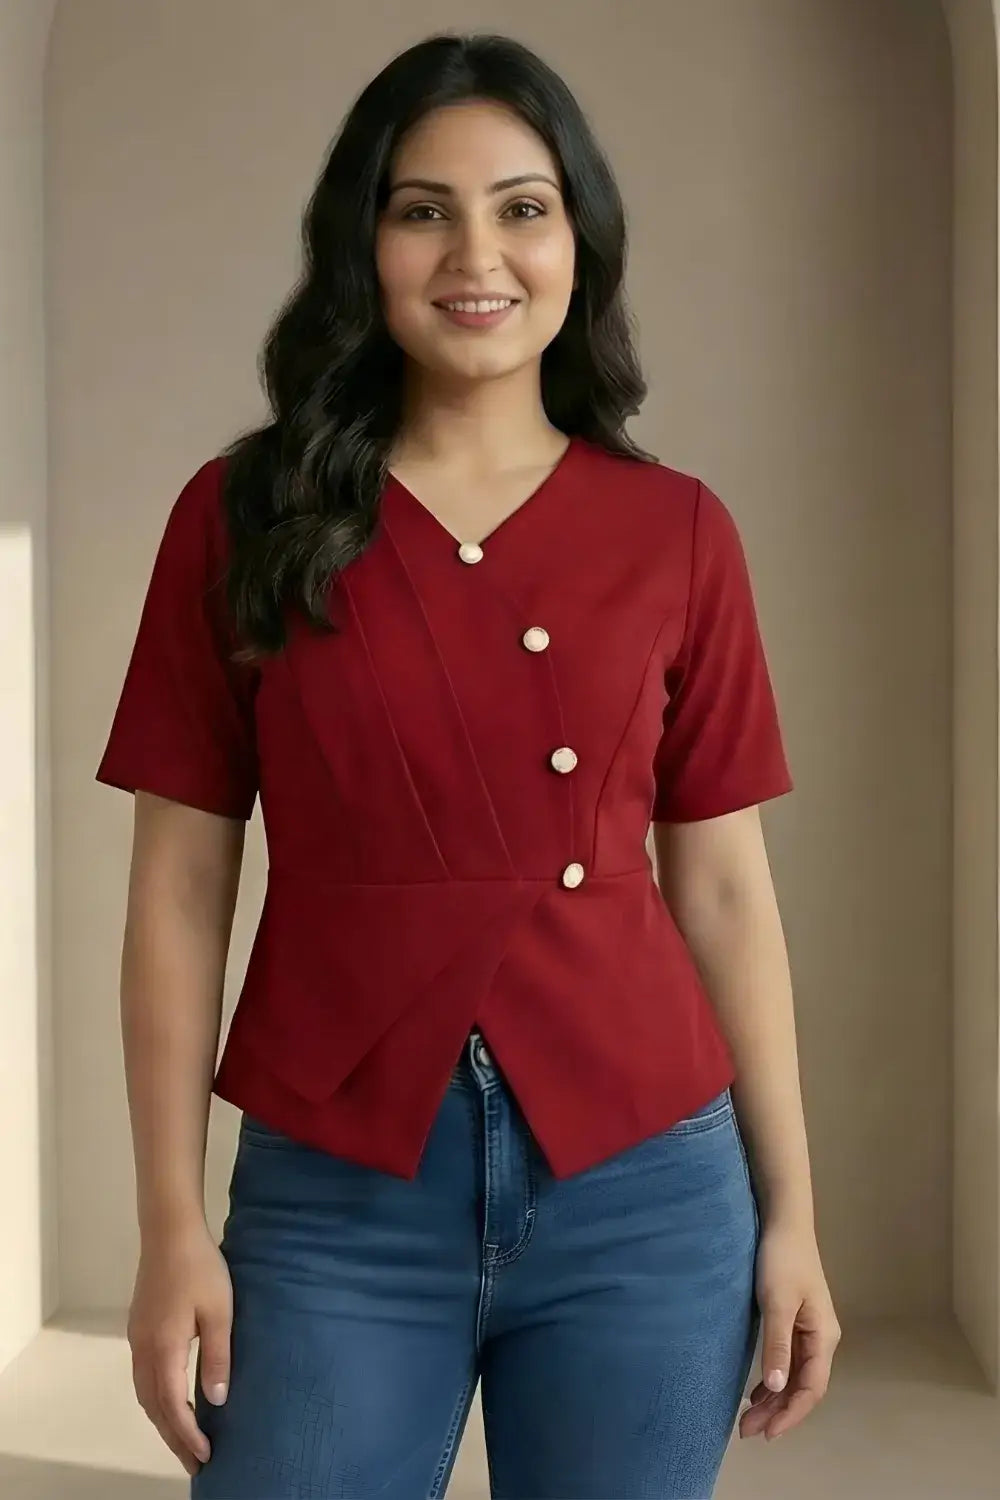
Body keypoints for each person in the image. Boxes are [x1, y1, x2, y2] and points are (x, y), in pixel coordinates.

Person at [95, 29, 840, 1500]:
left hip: (647, 1188)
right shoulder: (243, 517)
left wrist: (794, 1214)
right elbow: (179, 892)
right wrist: (170, 1226)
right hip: (334, 1194)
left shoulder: (679, 532)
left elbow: (723, 890)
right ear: (361, 244)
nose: (475, 255)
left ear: (579, 242)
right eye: (422, 209)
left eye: (523, 207)